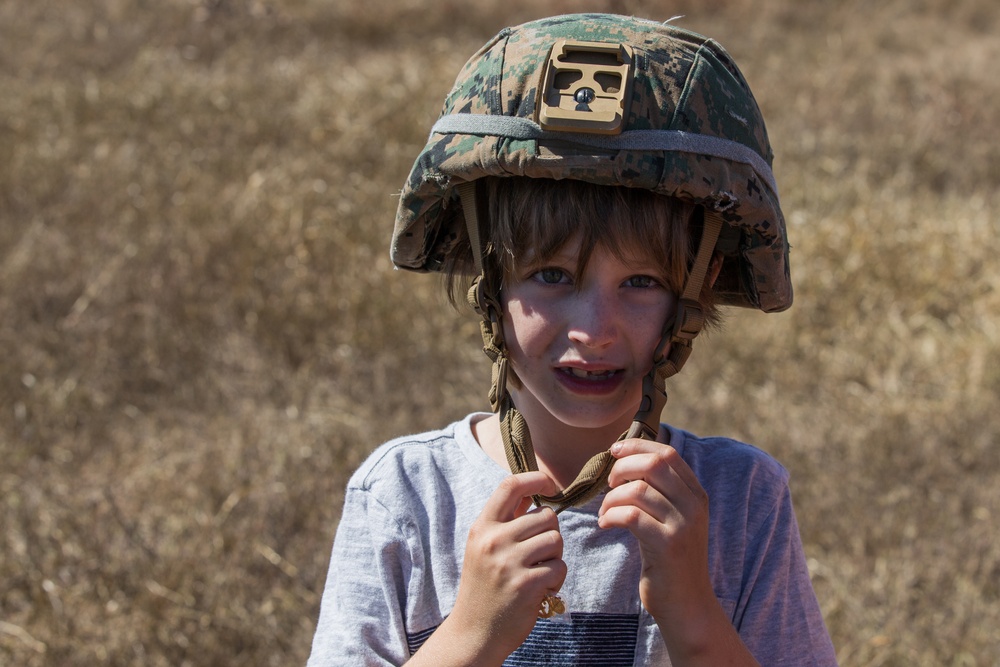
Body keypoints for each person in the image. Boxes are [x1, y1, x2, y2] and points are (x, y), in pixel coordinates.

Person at [308, 13, 837, 666]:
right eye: (552, 274)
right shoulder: (405, 498)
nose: (594, 330)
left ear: (695, 293)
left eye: (642, 280)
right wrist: (470, 635)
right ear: (490, 282)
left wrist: (696, 617)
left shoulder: (741, 502)